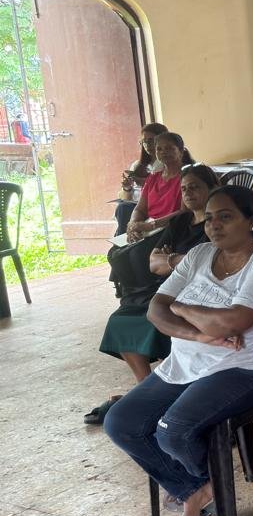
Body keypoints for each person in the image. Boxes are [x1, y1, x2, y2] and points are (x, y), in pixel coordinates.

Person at [103, 186, 253, 516]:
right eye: (209, 218)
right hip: (188, 359)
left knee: (173, 430)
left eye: (225, 216)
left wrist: (181, 307)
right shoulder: (200, 254)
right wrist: (198, 334)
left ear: (251, 221)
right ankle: (197, 487)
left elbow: (231, 324)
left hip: (248, 367)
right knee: (121, 421)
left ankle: (196, 492)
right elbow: (156, 310)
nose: (214, 225)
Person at [88, 164, 220, 426]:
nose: (188, 193)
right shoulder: (180, 221)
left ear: (212, 189)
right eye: (184, 189)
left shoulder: (216, 223)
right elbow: (153, 262)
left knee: (155, 319)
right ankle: (146, 388)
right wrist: (184, 260)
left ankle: (162, 395)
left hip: (198, 292)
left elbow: (211, 262)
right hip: (167, 286)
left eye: (195, 187)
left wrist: (171, 260)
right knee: (122, 318)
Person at [126, 131, 195, 242]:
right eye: (159, 149)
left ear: (181, 151)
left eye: (169, 148)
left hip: (172, 227)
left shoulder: (188, 176)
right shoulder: (153, 178)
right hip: (149, 228)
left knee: (136, 251)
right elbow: (139, 209)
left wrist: (152, 225)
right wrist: (133, 224)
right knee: (117, 251)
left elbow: (184, 211)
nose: (163, 152)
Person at [116, 122, 168, 235]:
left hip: (152, 207)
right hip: (135, 206)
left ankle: (123, 240)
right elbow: (127, 198)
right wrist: (127, 188)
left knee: (124, 208)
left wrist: (145, 183)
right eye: (144, 141)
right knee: (122, 207)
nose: (147, 145)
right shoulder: (137, 165)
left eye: (151, 140)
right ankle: (123, 239)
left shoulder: (166, 164)